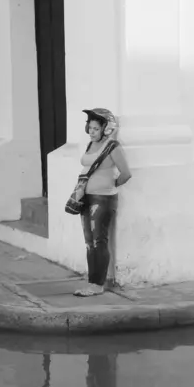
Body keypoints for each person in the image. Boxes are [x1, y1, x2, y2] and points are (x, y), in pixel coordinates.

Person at [74, 108, 131, 297]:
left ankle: (98, 285)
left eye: (96, 128)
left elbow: (126, 174)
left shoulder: (113, 147)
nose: (91, 131)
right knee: (89, 242)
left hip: (103, 199)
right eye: (90, 127)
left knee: (99, 240)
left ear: (106, 129)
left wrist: (110, 184)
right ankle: (91, 282)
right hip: (86, 198)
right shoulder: (91, 145)